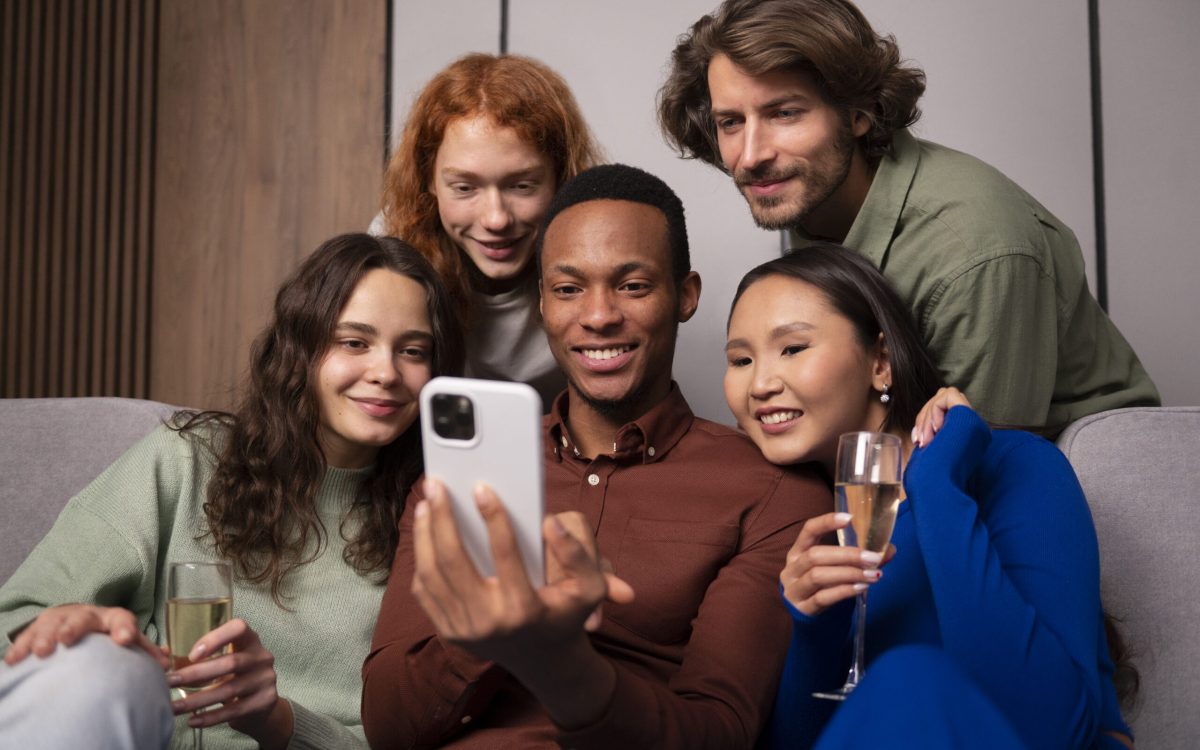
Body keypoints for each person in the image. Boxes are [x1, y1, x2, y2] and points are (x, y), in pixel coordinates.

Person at [361, 164, 829, 749]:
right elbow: (388, 729)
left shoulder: (773, 493)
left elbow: (718, 733)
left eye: (632, 285)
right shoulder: (461, 473)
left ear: (685, 296)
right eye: (568, 288)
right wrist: (490, 630)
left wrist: (563, 663)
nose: (599, 314)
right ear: (541, 304)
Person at [0, 234, 464, 749]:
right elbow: (14, 622)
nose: (385, 373)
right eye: (353, 342)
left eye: (413, 351)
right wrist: (77, 636)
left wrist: (280, 720)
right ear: (300, 349)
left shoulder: (437, 521)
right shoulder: (187, 459)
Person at [659, 0, 1160, 435]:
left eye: (784, 113)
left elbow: (978, 468)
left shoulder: (974, 248)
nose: (750, 155)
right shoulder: (812, 196)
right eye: (731, 122)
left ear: (859, 113)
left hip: (1077, 488)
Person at [722, 243, 1135, 748]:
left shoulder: (1012, 466)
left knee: (906, 677)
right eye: (740, 359)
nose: (760, 383)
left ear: (880, 361)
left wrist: (936, 486)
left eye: (793, 348)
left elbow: (1051, 729)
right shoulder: (801, 523)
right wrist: (814, 627)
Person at [373, 53, 602, 409]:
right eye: (464, 188)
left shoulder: (600, 251)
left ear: (560, 178)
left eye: (522, 186)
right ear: (428, 181)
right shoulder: (391, 248)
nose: (496, 219)